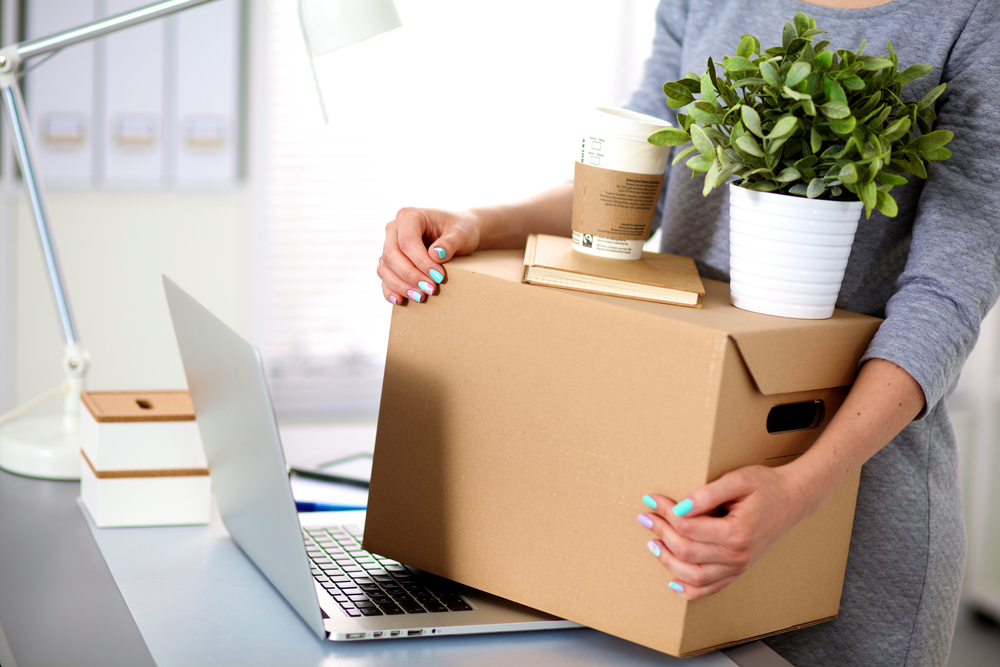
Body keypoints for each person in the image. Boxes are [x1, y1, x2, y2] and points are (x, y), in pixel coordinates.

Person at [375, 1, 1000, 665]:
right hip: (679, 479)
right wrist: (478, 222)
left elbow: (945, 296)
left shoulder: (973, 19)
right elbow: (635, 185)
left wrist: (798, 487)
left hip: (851, 500)